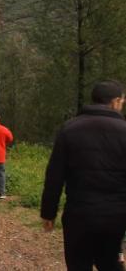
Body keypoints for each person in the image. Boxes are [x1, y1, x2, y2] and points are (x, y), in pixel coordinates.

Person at [41, 80, 126, 271]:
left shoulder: (69, 129)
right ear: (115, 102)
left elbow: (54, 175)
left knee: (78, 264)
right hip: (115, 217)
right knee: (111, 263)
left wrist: (48, 212)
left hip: (78, 215)